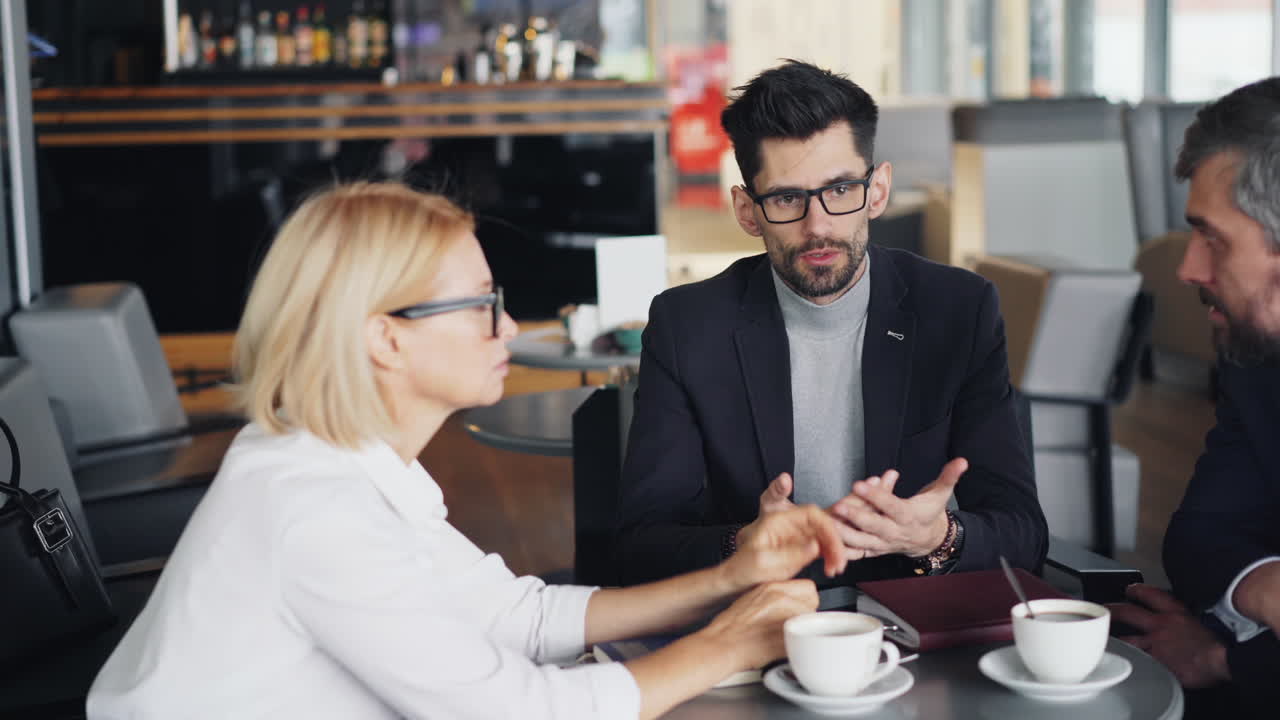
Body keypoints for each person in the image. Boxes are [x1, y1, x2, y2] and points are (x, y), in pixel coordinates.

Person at [86, 182, 852, 719]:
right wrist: (725, 646)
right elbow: (520, 712)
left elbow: (515, 615)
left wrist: (729, 578)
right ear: (384, 337)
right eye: (482, 305)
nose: (509, 329)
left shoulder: (336, 459)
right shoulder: (312, 510)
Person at [614, 60, 1047, 588]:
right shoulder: (688, 326)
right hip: (758, 619)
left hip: (910, 618)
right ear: (748, 211)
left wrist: (936, 537)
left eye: (840, 190)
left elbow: (1024, 531)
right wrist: (741, 544)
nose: (817, 226)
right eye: (786, 198)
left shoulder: (958, 310)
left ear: (878, 190)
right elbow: (640, 543)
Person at [1108, 77, 1280, 715]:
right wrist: (1267, 590)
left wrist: (1225, 659)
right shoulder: (1256, 363)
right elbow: (1199, 536)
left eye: (1215, 238)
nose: (1188, 269)